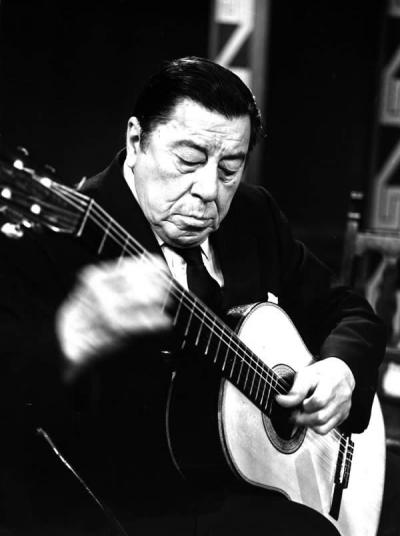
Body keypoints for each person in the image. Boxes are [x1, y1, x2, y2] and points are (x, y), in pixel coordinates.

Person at [0, 56, 386, 535]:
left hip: (244, 493)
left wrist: (342, 369)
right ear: (136, 141)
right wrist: (72, 337)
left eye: (229, 169)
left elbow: (350, 312)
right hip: (122, 509)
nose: (208, 190)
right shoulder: (56, 244)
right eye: (188, 161)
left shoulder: (253, 216)